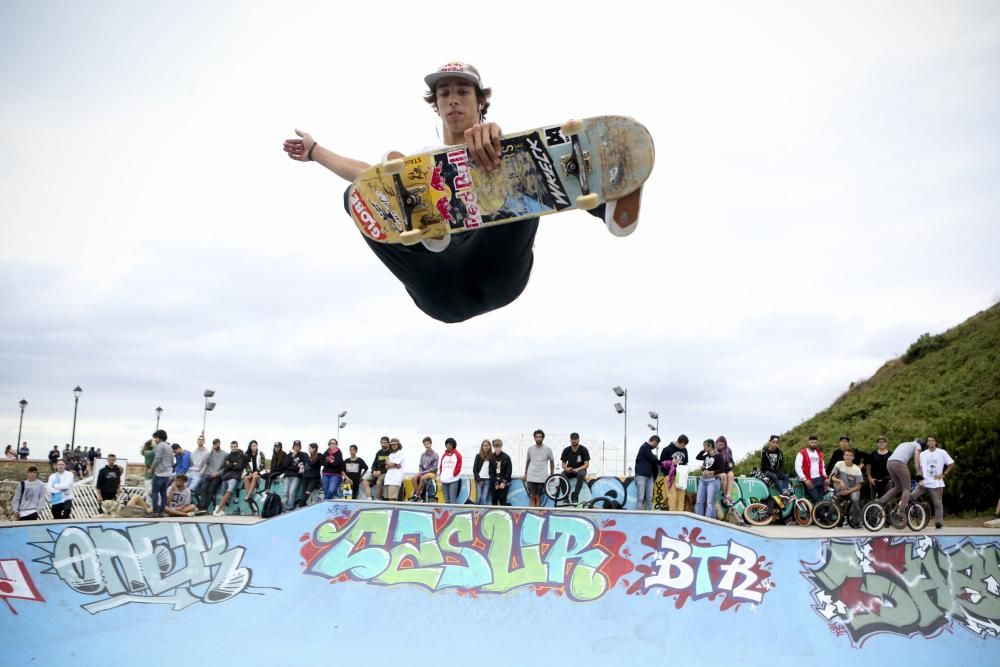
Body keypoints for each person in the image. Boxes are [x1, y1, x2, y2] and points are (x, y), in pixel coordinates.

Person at [281, 62, 643, 324]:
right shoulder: (417, 164)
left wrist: (500, 153)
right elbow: (363, 176)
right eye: (445, 93)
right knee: (362, 190)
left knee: (512, 168)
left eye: (462, 91)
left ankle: (609, 206)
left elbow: (537, 174)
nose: (453, 99)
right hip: (435, 281)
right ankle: (431, 225)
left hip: (497, 270)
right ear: (435, 104)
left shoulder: (507, 149)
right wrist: (315, 152)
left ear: (479, 101)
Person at [911, 436, 955, 529]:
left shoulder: (942, 452)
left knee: (938, 503)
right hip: (924, 482)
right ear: (927, 443)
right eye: (929, 441)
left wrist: (944, 474)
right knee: (912, 496)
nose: (930, 442)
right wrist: (920, 479)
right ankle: (918, 510)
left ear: (936, 442)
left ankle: (938, 523)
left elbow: (951, 464)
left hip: (936, 483)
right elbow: (920, 467)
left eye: (932, 441)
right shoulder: (923, 454)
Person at [877, 438, 923, 517]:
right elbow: (916, 459)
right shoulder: (917, 445)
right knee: (907, 489)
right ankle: (901, 510)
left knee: (898, 487)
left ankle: (882, 501)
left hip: (889, 463)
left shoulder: (904, 443)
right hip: (899, 463)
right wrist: (918, 473)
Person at [214, 441, 247, 516]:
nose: (233, 448)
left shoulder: (241, 455)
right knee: (222, 494)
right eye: (232, 446)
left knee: (229, 491)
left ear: (237, 446)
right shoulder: (228, 456)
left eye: (235, 446)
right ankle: (221, 510)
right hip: (226, 476)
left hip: (235, 476)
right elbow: (225, 467)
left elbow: (239, 466)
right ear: (230, 447)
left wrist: (230, 464)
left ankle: (218, 510)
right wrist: (233, 464)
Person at [695, 439, 725, 518]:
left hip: (713, 481)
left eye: (705, 446)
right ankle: (698, 519)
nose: (704, 448)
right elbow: (698, 457)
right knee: (699, 501)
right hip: (703, 480)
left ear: (710, 446)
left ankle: (709, 521)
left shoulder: (718, 456)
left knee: (710, 503)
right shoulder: (707, 456)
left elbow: (722, 469)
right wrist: (703, 468)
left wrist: (711, 472)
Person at [524, 429, 554, 507]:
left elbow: (552, 461)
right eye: (536, 437)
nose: (538, 438)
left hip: (542, 477)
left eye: (540, 437)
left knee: (538, 497)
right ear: (534, 438)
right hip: (531, 477)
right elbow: (528, 461)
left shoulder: (548, 449)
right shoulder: (530, 448)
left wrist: (552, 474)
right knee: (531, 497)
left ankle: (537, 515)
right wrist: (525, 473)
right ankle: (531, 514)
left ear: (543, 438)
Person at [794, 435, 828, 504]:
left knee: (821, 498)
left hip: (819, 479)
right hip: (810, 480)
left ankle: (815, 514)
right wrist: (805, 479)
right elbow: (797, 467)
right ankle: (824, 514)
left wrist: (826, 477)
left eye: (815, 442)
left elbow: (822, 467)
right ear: (808, 442)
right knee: (816, 499)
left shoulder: (819, 454)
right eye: (812, 442)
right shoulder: (802, 453)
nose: (813, 444)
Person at [830, 449, 864, 518]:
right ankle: (837, 517)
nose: (848, 457)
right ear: (843, 456)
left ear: (853, 457)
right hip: (842, 487)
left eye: (850, 455)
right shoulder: (839, 464)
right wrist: (840, 481)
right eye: (846, 455)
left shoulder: (857, 469)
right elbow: (832, 477)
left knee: (854, 499)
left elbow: (859, 486)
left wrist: (848, 491)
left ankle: (858, 518)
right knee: (835, 498)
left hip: (853, 489)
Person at [660, 435, 690, 512]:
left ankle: (680, 515)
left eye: (685, 445)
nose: (683, 447)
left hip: (681, 477)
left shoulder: (684, 450)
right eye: (682, 445)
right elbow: (661, 463)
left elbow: (686, 462)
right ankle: (673, 515)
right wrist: (671, 462)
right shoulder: (667, 449)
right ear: (678, 441)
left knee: (681, 497)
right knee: (672, 496)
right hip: (669, 476)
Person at [560, 433, 591, 504]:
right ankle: (565, 497)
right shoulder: (566, 450)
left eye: (576, 439)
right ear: (570, 440)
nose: (574, 441)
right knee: (562, 475)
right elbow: (563, 464)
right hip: (570, 470)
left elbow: (586, 464)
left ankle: (575, 496)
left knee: (581, 475)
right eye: (572, 439)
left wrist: (578, 469)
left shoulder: (584, 449)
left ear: (578, 440)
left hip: (580, 469)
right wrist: (566, 469)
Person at [198, 438, 227, 512]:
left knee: (211, 490)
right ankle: (201, 506)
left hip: (218, 475)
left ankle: (204, 507)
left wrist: (217, 474)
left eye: (217, 444)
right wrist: (211, 452)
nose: (216, 445)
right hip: (209, 474)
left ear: (220, 444)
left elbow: (226, 468)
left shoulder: (225, 454)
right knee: (203, 488)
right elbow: (206, 462)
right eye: (214, 444)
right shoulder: (209, 454)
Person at [633, 435, 661, 510]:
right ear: (655, 442)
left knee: (649, 498)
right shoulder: (644, 447)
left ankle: (648, 516)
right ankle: (638, 517)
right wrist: (662, 463)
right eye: (656, 444)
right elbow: (653, 459)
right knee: (641, 498)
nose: (656, 446)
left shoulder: (649, 451)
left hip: (650, 477)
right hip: (641, 476)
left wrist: (654, 477)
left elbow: (654, 464)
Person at [151, 429, 174, 517]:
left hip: (159, 473)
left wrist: (152, 468)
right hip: (168, 473)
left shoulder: (160, 446)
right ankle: (161, 512)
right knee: (163, 494)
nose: (155, 440)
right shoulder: (169, 446)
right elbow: (172, 460)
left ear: (159, 437)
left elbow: (157, 458)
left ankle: (155, 511)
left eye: (155, 438)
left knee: (155, 492)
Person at [410, 437, 440, 501]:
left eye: (428, 444)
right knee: (414, 478)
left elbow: (434, 467)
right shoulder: (423, 455)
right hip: (423, 472)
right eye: (425, 444)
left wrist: (424, 472)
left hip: (432, 473)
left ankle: (416, 495)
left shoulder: (435, 455)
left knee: (422, 478)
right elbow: (420, 465)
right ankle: (419, 495)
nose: (426, 445)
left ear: (431, 444)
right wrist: (421, 472)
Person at [281, 441, 308, 509]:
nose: (296, 447)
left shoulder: (303, 455)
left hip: (296, 476)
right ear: (293, 447)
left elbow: (307, 463)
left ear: (300, 447)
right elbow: (284, 465)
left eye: (298, 446)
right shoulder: (289, 454)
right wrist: (291, 457)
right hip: (287, 475)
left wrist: (302, 464)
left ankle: (290, 507)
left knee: (291, 492)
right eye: (295, 446)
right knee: (285, 492)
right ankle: (283, 507)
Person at [866, 436, 892, 500]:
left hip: (888, 480)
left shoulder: (891, 454)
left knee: (888, 500)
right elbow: (868, 466)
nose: (881, 443)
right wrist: (869, 478)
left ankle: (887, 510)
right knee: (873, 500)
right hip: (875, 480)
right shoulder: (872, 454)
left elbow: (894, 466)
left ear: (886, 443)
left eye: (883, 442)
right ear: (877, 444)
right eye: (879, 442)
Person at [438, 438, 463, 503]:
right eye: (447, 444)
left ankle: (454, 512)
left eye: (450, 444)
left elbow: (458, 467)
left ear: (453, 445)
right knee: (446, 500)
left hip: (453, 480)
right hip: (444, 480)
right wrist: (441, 475)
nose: (448, 445)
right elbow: (441, 466)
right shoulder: (444, 455)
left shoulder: (458, 455)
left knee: (453, 500)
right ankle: (448, 513)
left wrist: (453, 474)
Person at [490, 439, 513, 506]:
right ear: (493, 447)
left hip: (504, 482)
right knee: (494, 500)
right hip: (494, 482)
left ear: (501, 446)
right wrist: (496, 483)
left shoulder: (506, 457)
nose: (498, 448)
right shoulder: (491, 457)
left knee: (502, 500)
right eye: (496, 447)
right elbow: (491, 472)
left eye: (499, 446)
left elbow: (509, 471)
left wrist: (503, 482)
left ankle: (508, 508)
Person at [715, 435, 736, 506]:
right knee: (723, 476)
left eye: (722, 444)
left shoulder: (728, 450)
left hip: (725, 469)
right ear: (716, 444)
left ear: (725, 444)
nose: (720, 446)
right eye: (719, 444)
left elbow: (731, 462)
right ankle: (724, 495)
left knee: (731, 474)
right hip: (717, 470)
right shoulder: (714, 451)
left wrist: (731, 465)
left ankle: (728, 496)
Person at [472, 439, 493, 504]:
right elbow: (474, 469)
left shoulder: (492, 456)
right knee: (478, 497)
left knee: (484, 498)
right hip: (479, 479)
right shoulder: (478, 456)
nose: (485, 447)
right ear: (482, 446)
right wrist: (479, 480)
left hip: (488, 480)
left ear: (490, 446)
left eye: (487, 445)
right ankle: (475, 513)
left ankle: (482, 514)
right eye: (484, 445)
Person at [141, 439, 156, 503]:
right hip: (149, 476)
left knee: (148, 493)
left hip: (152, 476)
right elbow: (155, 452)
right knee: (149, 494)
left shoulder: (149, 451)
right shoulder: (147, 452)